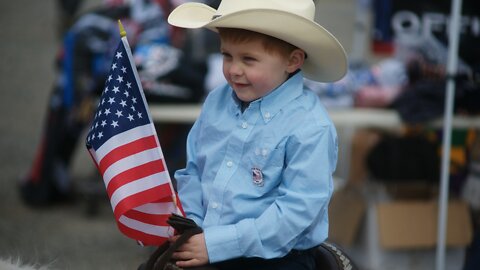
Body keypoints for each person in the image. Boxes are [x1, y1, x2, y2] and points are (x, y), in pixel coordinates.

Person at [166, 0, 347, 269]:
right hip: (204, 238)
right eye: (227, 56)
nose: (233, 69)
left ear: (293, 60)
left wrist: (217, 244)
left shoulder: (310, 126)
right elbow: (194, 170)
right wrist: (191, 225)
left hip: (277, 256)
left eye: (248, 59)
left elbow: (297, 212)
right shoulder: (217, 101)